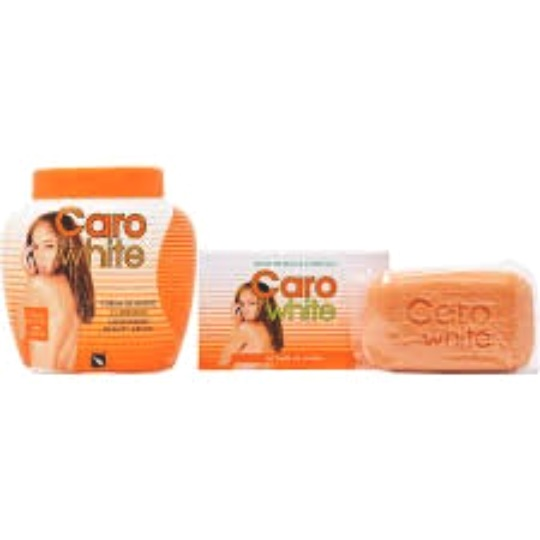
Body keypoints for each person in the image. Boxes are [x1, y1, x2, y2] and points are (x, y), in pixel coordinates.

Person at [20, 211, 94, 370]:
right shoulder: (75, 289)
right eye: (35, 247)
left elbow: (21, 333)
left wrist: (29, 278)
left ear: (67, 246)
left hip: (44, 376)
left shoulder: (39, 285)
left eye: (49, 246)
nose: (39, 256)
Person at [220, 280, 284, 367]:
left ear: (265, 304)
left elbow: (224, 360)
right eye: (241, 304)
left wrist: (236, 324)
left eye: (251, 303)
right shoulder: (271, 330)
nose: (245, 309)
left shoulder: (246, 328)